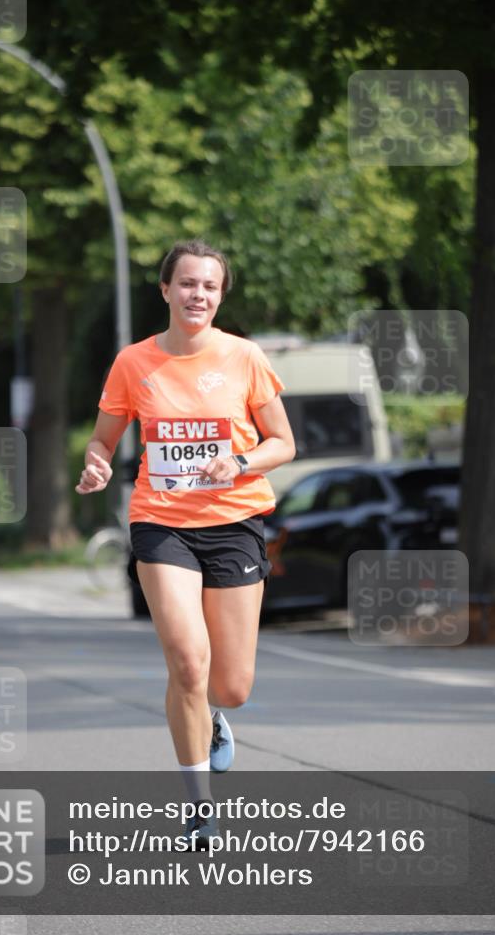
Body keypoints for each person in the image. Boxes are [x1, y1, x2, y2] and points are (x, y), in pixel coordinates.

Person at [76, 239, 295, 846]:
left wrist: (242, 461)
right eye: (188, 284)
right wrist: (96, 465)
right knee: (186, 661)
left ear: (220, 296)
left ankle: (215, 718)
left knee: (230, 686)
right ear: (166, 291)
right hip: (161, 522)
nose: (199, 295)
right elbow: (103, 440)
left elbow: (284, 442)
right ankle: (199, 806)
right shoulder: (133, 362)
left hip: (234, 522)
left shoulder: (245, 357)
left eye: (210, 286)